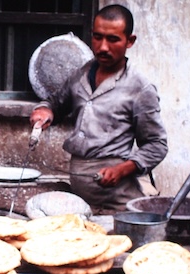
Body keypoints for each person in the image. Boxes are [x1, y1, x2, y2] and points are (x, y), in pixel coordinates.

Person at [30, 4, 168, 211]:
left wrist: (122, 169)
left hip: (118, 196)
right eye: (97, 37)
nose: (103, 47)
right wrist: (45, 110)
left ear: (129, 41)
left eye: (113, 39)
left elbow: (157, 145)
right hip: (81, 192)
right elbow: (56, 103)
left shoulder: (140, 88)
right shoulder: (81, 74)